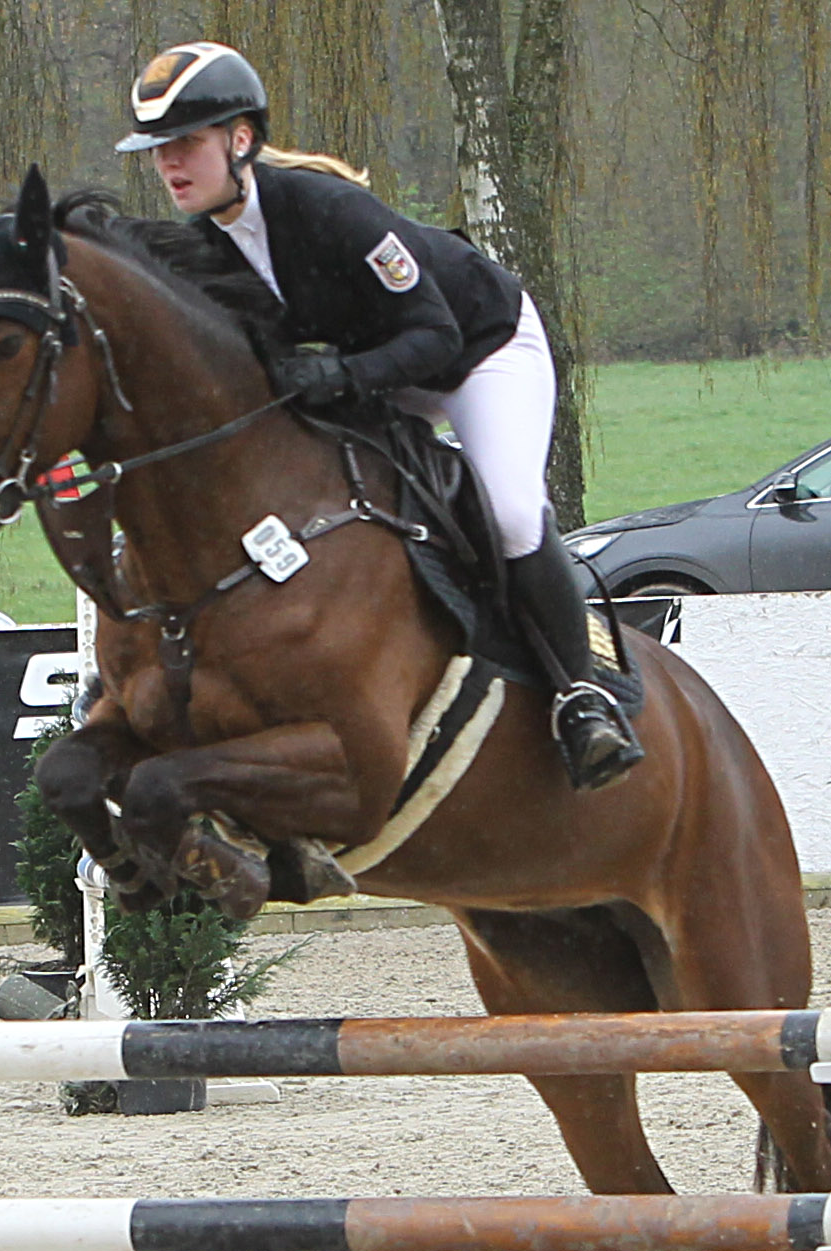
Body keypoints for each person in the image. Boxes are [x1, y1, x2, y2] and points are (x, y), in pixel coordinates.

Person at [114, 40, 642, 792]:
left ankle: (581, 696)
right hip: (376, 372)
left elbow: (436, 335)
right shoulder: (204, 247)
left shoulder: (327, 208)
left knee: (512, 509)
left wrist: (341, 373)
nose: (170, 164)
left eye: (187, 143)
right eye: (159, 149)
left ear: (240, 140)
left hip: (480, 351)